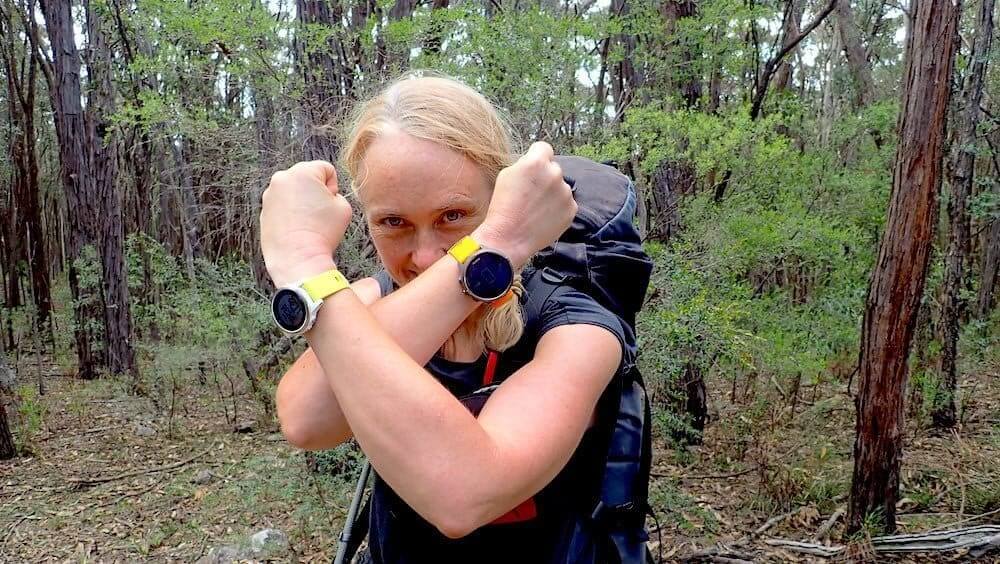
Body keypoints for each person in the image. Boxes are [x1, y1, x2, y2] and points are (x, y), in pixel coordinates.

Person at [261, 74, 638, 563]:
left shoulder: (574, 324)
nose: (424, 257)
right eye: (393, 222)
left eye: (453, 215)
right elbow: (306, 420)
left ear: (503, 200)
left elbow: (465, 495)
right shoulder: (370, 300)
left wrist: (306, 264)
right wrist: (480, 259)